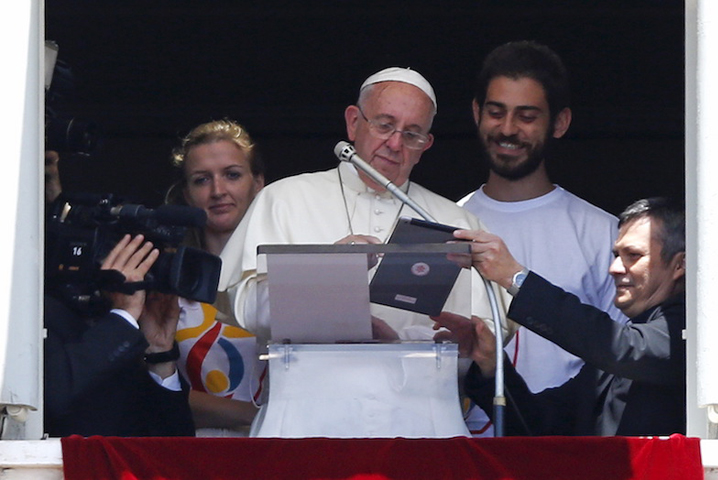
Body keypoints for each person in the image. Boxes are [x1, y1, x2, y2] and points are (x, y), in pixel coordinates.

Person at [217, 67, 511, 342]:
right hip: (311, 391)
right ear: (354, 123)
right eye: (385, 125)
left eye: (411, 134)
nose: (395, 144)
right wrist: (327, 272)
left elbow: (487, 334)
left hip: (418, 393)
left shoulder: (457, 221)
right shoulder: (284, 198)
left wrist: (408, 339)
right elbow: (245, 308)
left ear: (426, 145)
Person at [458, 41, 626, 435]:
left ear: (560, 122)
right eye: (496, 112)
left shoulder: (603, 233)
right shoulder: (445, 223)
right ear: (476, 113)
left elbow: (622, 359)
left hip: (568, 450)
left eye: (527, 116)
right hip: (460, 448)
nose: (508, 129)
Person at [434, 197, 686, 436]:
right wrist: (490, 364)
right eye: (616, 255)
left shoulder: (698, 332)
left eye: (634, 255)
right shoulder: (617, 353)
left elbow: (627, 348)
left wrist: (515, 278)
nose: (614, 268)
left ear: (679, 265)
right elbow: (540, 425)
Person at [167, 119, 266, 436]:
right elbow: (153, 389)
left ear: (258, 183)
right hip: (195, 458)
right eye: (201, 180)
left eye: (232, 175)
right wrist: (261, 415)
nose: (218, 190)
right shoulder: (168, 282)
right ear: (187, 194)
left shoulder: (283, 277)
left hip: (282, 456)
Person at [44, 234, 196, 437]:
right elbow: (49, 396)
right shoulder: (29, 308)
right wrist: (123, 315)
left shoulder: (120, 330)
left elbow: (174, 445)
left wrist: (160, 352)